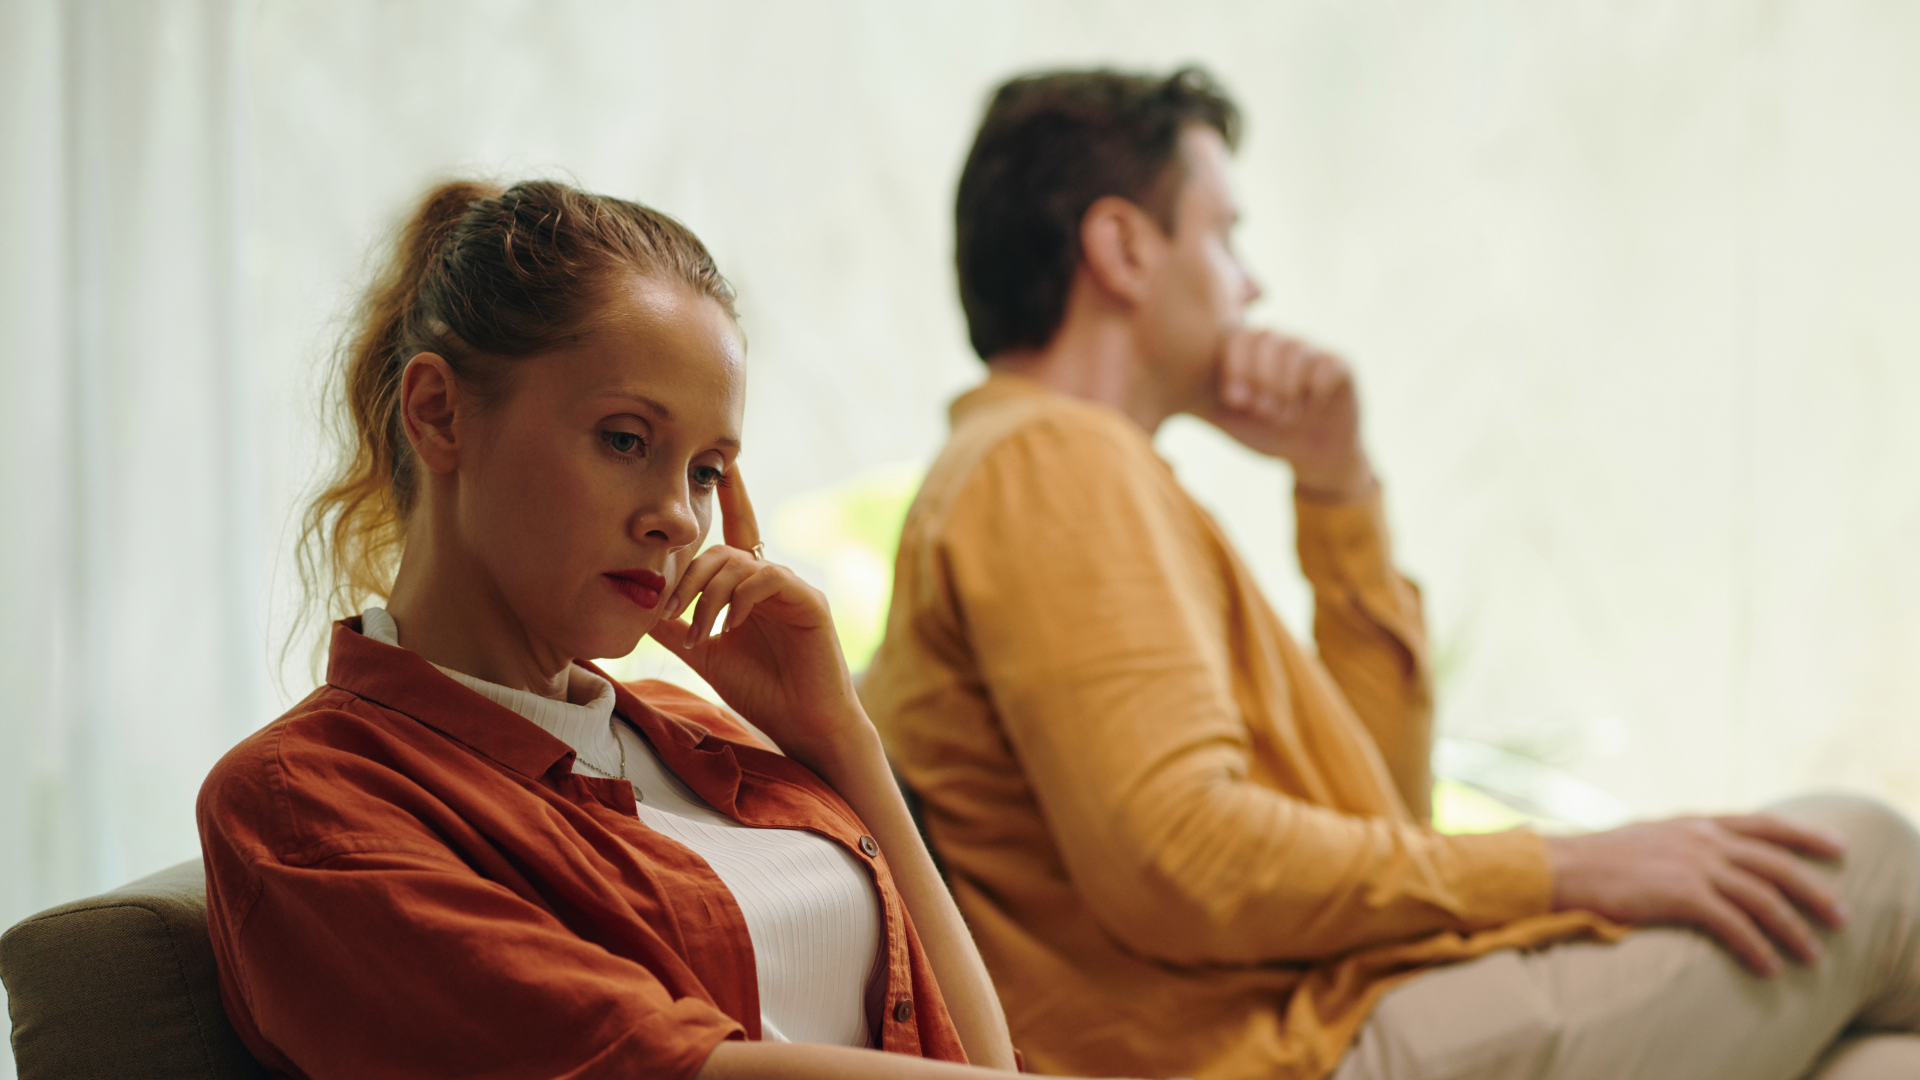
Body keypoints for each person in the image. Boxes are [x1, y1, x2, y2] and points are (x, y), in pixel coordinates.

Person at [861, 67, 1920, 1080]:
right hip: (1274, 1056)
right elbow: (1180, 861)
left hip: (1317, 1023)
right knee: (1864, 855)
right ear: (1124, 249)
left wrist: (1337, 489)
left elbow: (1378, 811)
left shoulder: (1054, 470)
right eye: (1228, 234)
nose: (1253, 284)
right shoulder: (1054, 462)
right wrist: (1569, 866)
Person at [197, 179, 1057, 1080]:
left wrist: (840, 738)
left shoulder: (706, 738)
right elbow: (646, 1069)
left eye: (705, 470)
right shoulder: (305, 798)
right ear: (438, 413)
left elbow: (983, 1059)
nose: (680, 520)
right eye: (624, 439)